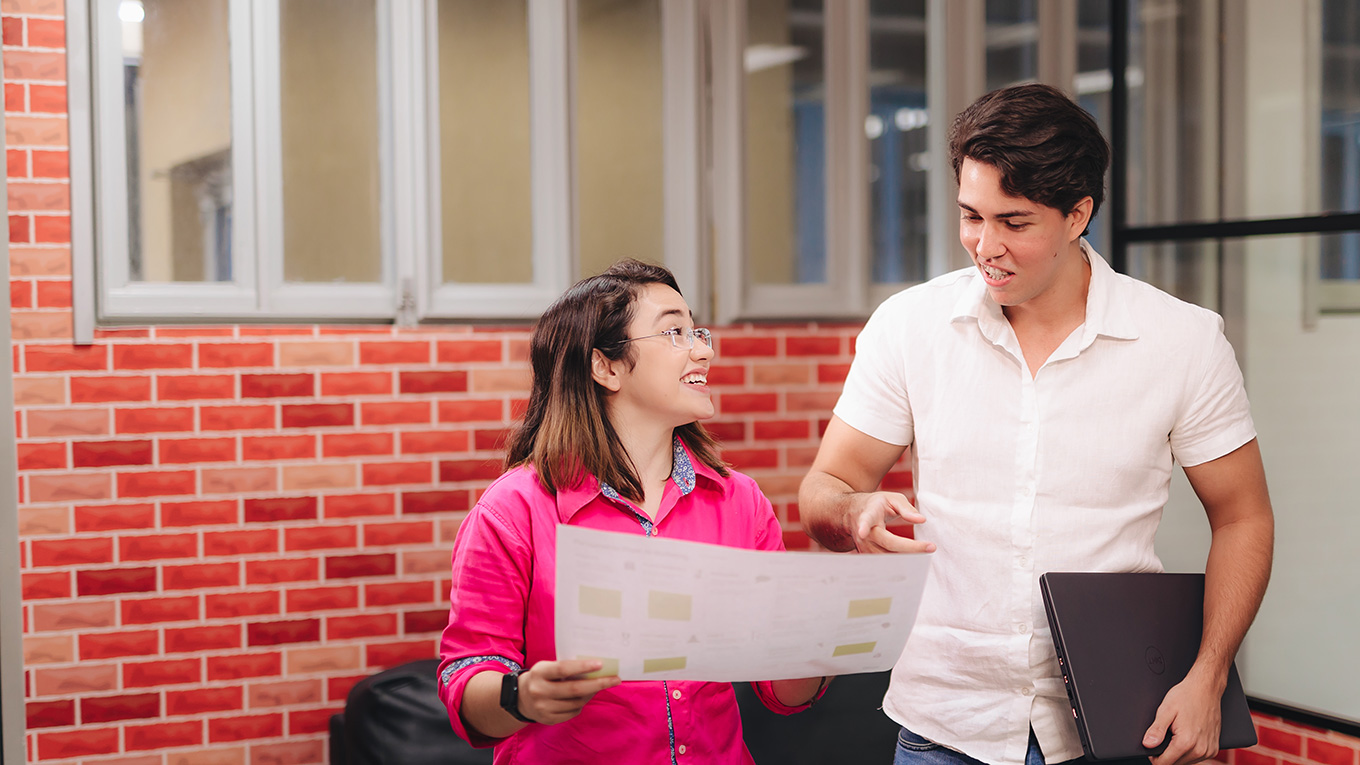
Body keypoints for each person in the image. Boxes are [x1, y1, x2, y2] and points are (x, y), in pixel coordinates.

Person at [800, 83, 1274, 765]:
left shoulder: (1184, 341)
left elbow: (1244, 516)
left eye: (1014, 222)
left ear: (1078, 213)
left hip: (1118, 726)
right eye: (971, 216)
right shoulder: (908, 328)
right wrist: (853, 510)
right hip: (944, 723)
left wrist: (1209, 674)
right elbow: (824, 487)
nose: (985, 246)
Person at [437, 259, 828, 764]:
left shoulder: (741, 502)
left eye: (698, 331)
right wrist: (523, 696)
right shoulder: (513, 510)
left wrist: (825, 637)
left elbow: (783, 691)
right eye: (674, 332)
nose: (703, 350)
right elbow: (466, 682)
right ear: (607, 367)